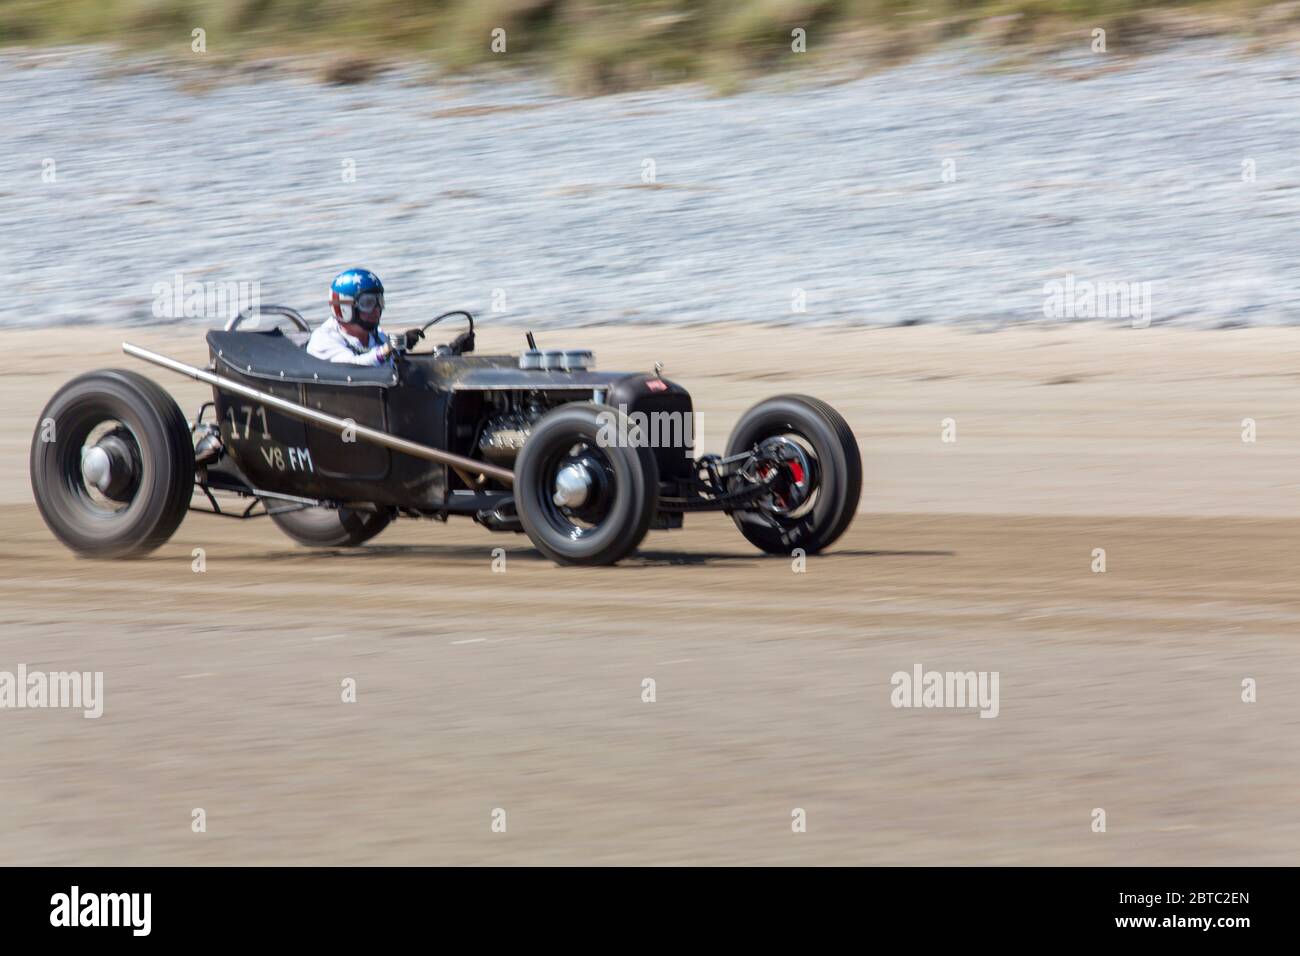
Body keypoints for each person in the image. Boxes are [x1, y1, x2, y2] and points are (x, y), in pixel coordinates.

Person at [307, 268, 421, 365]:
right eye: (368, 303)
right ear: (344, 308)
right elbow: (352, 368)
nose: (376, 309)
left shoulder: (376, 335)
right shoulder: (323, 339)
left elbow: (388, 356)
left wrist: (402, 344)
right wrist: (386, 349)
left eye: (379, 301)